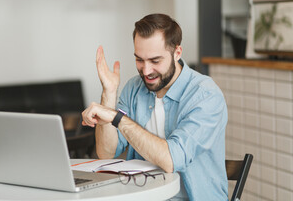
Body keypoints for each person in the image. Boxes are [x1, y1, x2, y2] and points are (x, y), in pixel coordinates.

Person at [81, 14, 228, 200]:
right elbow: (106, 153)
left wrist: (117, 118)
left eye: (155, 61)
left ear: (177, 53)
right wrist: (109, 94)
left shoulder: (205, 95)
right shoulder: (134, 88)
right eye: (139, 60)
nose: (146, 71)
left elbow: (171, 160)